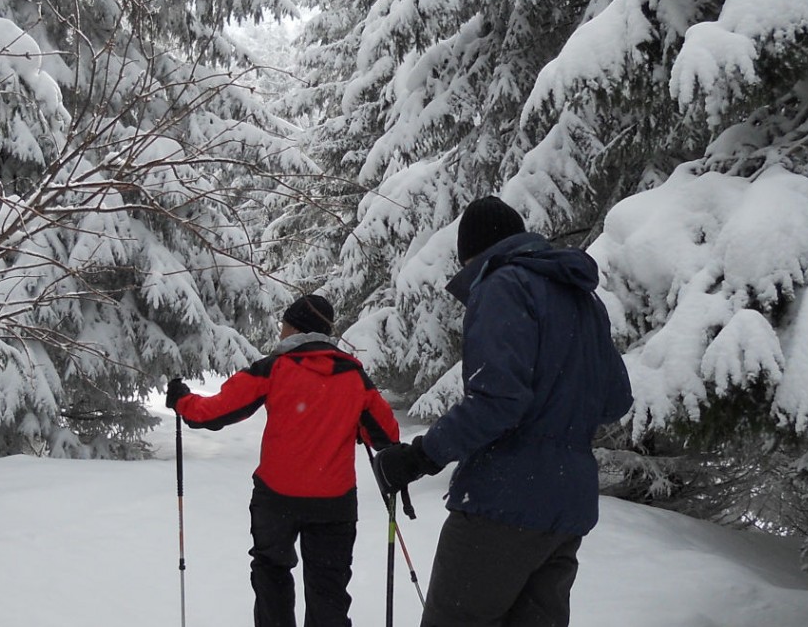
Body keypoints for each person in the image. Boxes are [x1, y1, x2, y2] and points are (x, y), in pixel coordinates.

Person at [371, 196, 633, 627]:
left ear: (473, 253)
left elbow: (498, 401)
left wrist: (420, 457)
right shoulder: (582, 299)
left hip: (502, 502)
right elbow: (615, 399)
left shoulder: (502, 285)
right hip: (568, 509)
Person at [167, 294, 402, 627]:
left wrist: (181, 399)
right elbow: (387, 436)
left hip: (276, 500)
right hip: (334, 504)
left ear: (295, 328)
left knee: (272, 574)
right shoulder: (354, 377)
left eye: (284, 326)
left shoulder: (274, 368)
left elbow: (214, 413)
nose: (280, 333)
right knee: (328, 589)